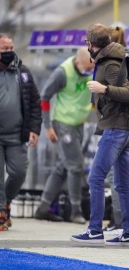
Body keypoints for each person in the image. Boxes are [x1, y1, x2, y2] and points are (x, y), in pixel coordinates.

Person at [70, 23, 129, 247]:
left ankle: (94, 230)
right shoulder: (114, 57)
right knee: (121, 183)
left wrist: (104, 89)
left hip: (117, 129)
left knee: (96, 178)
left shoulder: (111, 62)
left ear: (91, 44)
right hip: (126, 129)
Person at [34, 47, 94, 224]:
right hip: (62, 123)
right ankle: (75, 211)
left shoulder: (92, 69)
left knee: (63, 166)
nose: (90, 71)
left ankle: (43, 208)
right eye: (87, 68)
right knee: (76, 166)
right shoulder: (63, 72)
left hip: (79, 123)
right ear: (77, 63)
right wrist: (47, 126)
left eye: (92, 68)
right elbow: (44, 97)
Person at [102, 26, 129, 233]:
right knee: (125, 173)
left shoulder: (116, 65)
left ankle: (121, 221)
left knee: (118, 174)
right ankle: (125, 221)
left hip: (124, 123)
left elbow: (122, 95)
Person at [0, 33, 42, 231]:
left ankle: (6, 202)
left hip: (17, 135)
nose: (9, 52)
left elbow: (35, 102)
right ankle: (1, 211)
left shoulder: (22, 72)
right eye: (4, 49)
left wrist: (34, 129)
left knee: (19, 173)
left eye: (10, 48)